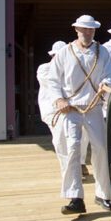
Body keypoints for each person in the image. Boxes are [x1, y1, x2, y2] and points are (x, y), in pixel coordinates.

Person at [45, 15, 111, 214]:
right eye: (84, 29)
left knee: (101, 149)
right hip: (71, 109)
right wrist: (59, 100)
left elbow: (109, 74)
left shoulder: (103, 52)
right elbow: (53, 80)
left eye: (91, 29)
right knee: (73, 150)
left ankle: (104, 195)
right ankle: (75, 198)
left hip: (93, 107)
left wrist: (106, 84)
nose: (87, 32)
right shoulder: (65, 53)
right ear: (76, 30)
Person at [38, 40, 68, 170]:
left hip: (69, 108)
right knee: (59, 138)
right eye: (57, 55)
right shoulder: (44, 68)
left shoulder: (69, 70)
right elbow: (53, 84)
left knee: (82, 136)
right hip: (51, 110)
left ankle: (80, 163)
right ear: (52, 55)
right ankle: (67, 167)